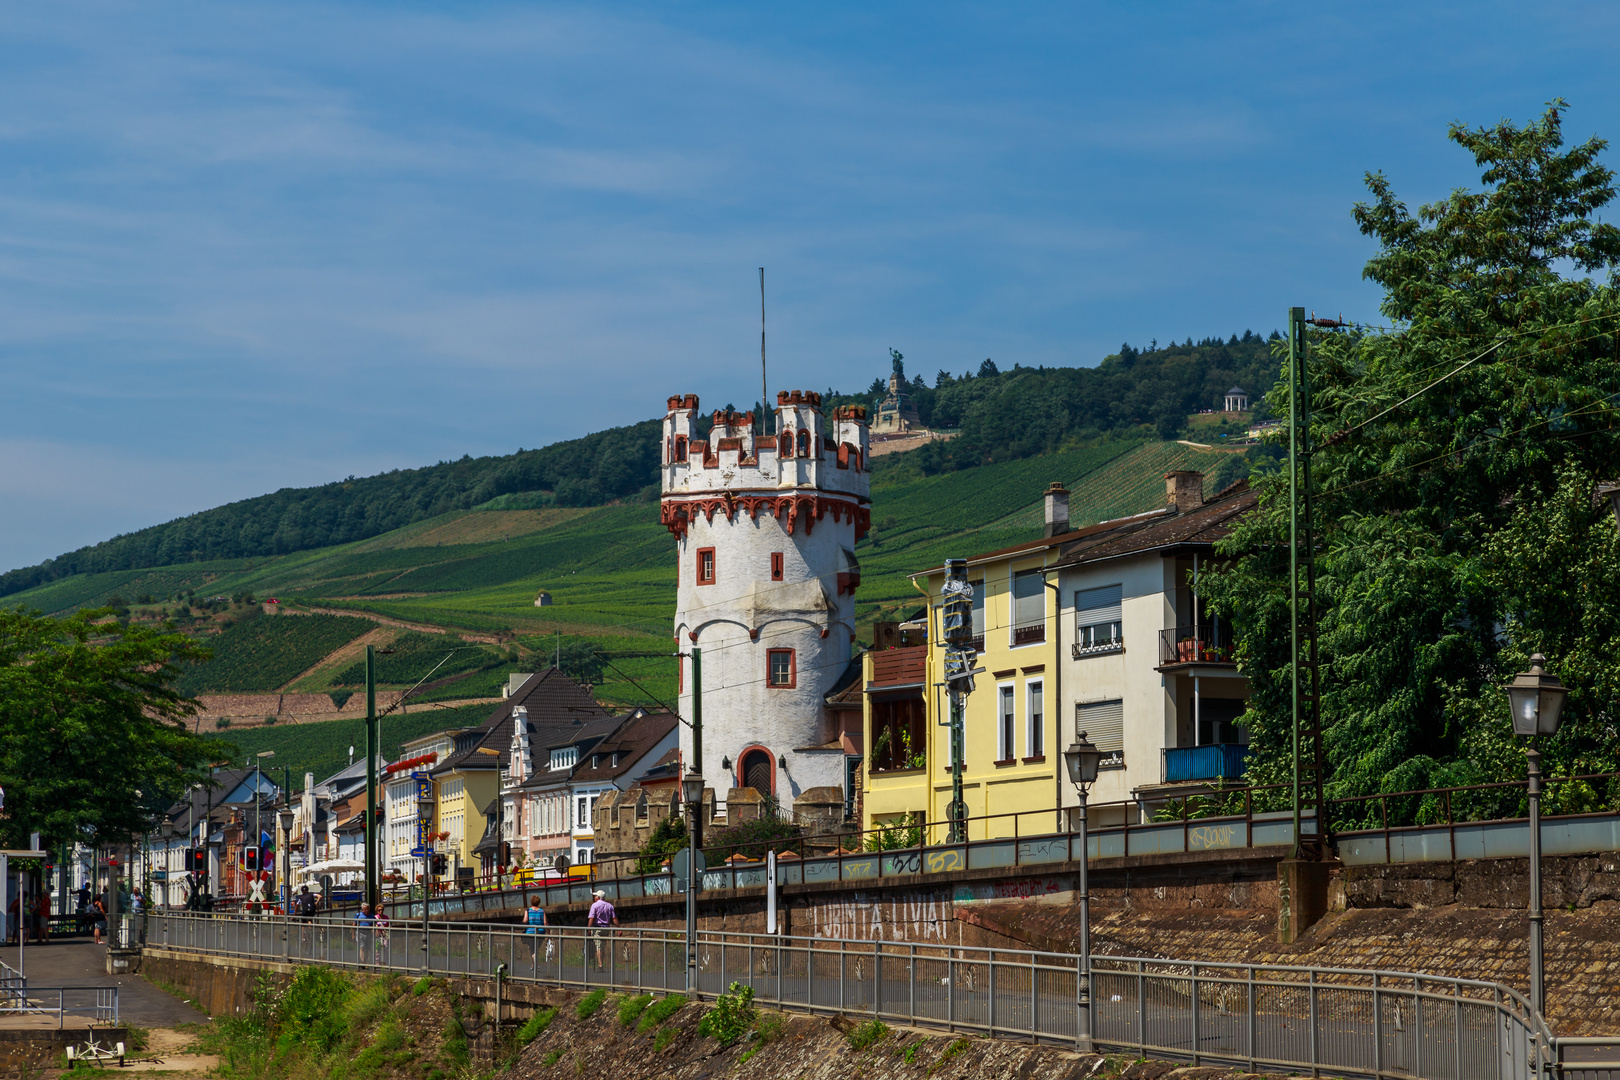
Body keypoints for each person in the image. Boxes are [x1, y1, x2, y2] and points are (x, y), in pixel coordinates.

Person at [586, 890, 617, 972]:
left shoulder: (595, 905)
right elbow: (614, 919)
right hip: (606, 928)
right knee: (602, 946)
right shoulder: (609, 906)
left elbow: (591, 918)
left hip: (597, 928)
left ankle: (600, 965)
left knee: (598, 947)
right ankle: (601, 962)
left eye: (595, 896)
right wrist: (619, 928)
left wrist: (588, 928)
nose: (594, 897)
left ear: (598, 897)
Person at [524, 896, 547, 967]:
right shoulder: (541, 911)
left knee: (532, 949)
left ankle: (536, 964)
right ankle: (533, 965)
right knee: (536, 949)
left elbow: (525, 920)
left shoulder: (527, 910)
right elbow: (545, 923)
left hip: (530, 932)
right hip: (540, 932)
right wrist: (548, 933)